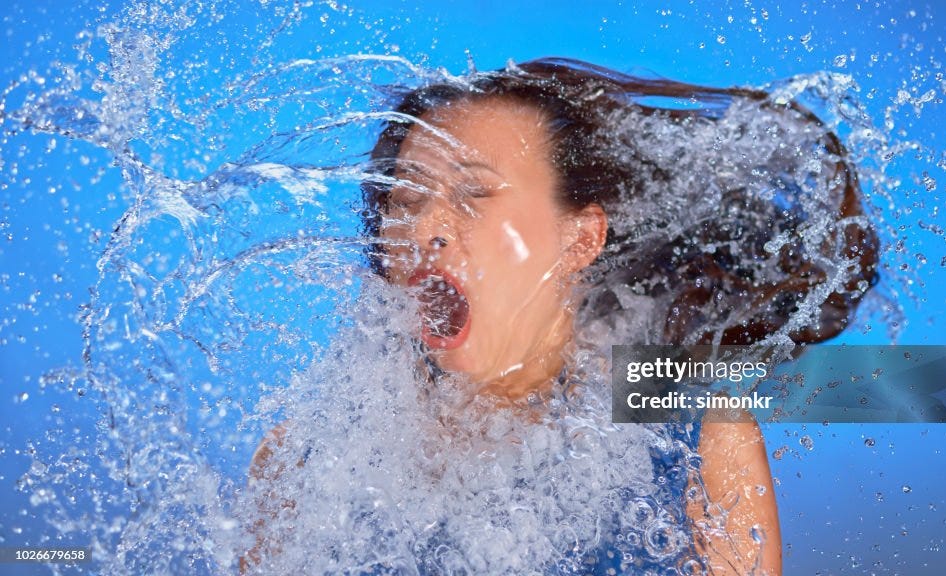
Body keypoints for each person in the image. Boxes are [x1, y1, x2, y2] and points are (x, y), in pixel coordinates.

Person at [246, 57, 879, 575]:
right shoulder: (313, 454)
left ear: (580, 239)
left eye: (473, 195)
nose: (427, 229)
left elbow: (934, 387)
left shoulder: (678, 420)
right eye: (407, 197)